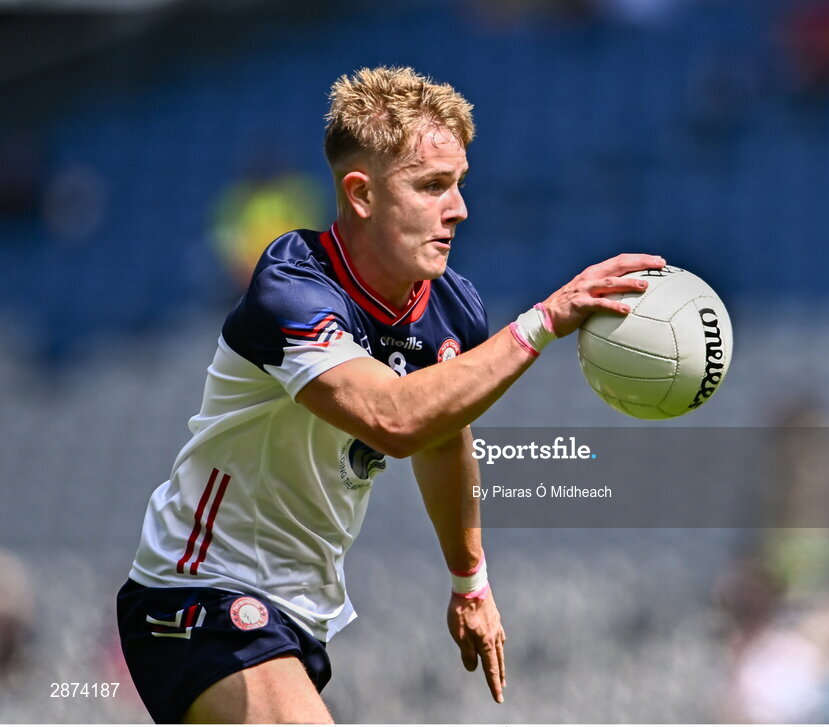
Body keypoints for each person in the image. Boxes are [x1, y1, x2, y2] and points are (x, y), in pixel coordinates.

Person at [116, 65, 664, 724]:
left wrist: (470, 582)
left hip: (299, 613)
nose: (458, 207)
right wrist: (543, 319)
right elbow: (393, 420)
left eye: (459, 184)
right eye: (432, 186)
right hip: (198, 595)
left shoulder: (452, 308)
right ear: (361, 194)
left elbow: (440, 438)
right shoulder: (292, 289)